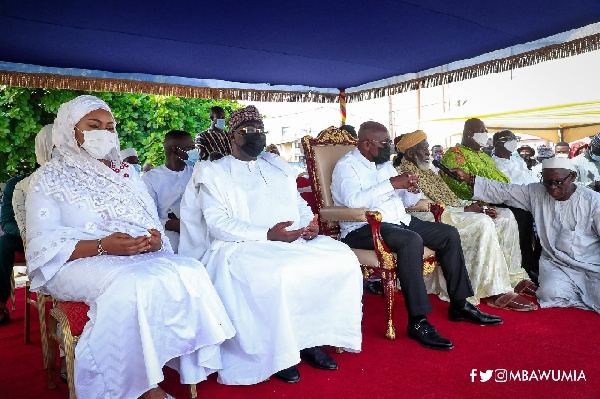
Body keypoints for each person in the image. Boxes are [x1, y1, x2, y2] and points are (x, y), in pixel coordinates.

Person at [25, 95, 235, 399]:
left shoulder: (126, 174)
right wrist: (101, 246)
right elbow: (41, 245)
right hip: (74, 262)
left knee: (191, 269)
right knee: (133, 285)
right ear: (71, 128)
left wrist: (154, 240)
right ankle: (142, 389)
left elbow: (153, 224)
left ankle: (179, 363)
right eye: (93, 125)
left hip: (133, 257)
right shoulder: (49, 177)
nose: (104, 132)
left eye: (110, 126)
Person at [179, 105, 362, 385]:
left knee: (340, 259)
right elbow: (218, 224)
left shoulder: (276, 168)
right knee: (280, 274)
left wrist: (308, 226)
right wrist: (267, 235)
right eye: (248, 131)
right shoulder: (213, 172)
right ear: (233, 136)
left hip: (290, 239)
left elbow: (298, 205)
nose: (256, 136)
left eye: (260, 130)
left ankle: (309, 339)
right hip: (240, 246)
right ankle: (277, 353)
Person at [331, 121, 502, 353]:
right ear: (366, 143)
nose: (389, 147)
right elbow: (353, 203)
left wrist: (410, 189)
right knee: (410, 240)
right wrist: (391, 184)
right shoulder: (346, 166)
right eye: (384, 143)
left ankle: (460, 305)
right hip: (362, 227)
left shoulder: (383, 165)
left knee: (448, 234)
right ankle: (418, 321)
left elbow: (406, 203)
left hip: (399, 220)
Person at [397, 131, 536, 311]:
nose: (428, 152)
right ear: (409, 153)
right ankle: (495, 289)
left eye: (427, 148)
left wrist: (474, 205)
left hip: (451, 209)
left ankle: (513, 276)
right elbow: (414, 206)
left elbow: (450, 198)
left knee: (505, 216)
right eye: (423, 149)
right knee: (482, 222)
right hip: (427, 217)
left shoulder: (429, 170)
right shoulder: (402, 174)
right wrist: (465, 210)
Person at [451, 157, 600, 314]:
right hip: (557, 265)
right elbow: (504, 190)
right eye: (547, 182)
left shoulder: (593, 202)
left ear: (572, 177)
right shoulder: (536, 192)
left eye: (558, 182)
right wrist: (468, 178)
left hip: (591, 267)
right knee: (549, 294)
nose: (552, 188)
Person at [442, 119, 541, 284]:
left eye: (486, 130)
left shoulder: (484, 156)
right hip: (474, 200)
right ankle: (519, 268)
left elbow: (501, 179)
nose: (485, 134)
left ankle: (528, 267)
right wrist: (486, 197)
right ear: (468, 133)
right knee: (519, 215)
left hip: (500, 195)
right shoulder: (455, 154)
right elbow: (458, 184)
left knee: (532, 214)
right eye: (481, 130)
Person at [142, 130, 198, 253]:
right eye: (190, 148)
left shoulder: (197, 172)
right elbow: (146, 216)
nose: (195, 152)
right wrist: (170, 224)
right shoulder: (150, 179)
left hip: (197, 229)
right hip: (168, 233)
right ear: (175, 150)